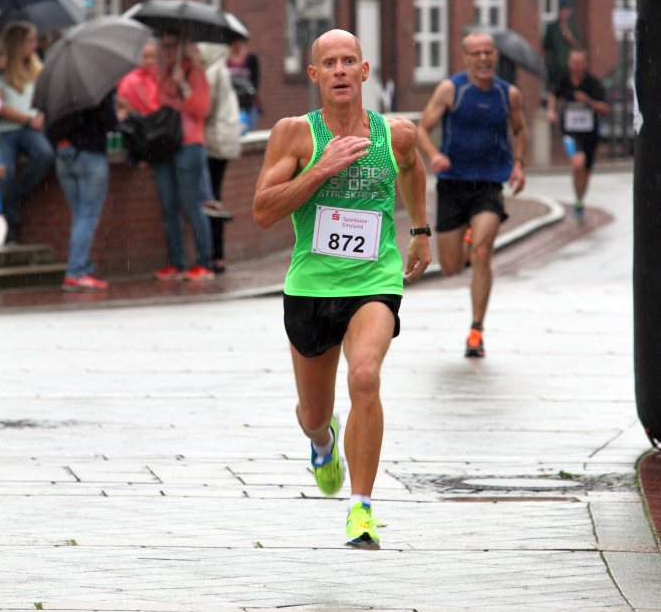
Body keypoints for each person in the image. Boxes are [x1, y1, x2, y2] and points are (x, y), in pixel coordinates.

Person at [252, 29, 431, 549]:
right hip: (310, 285)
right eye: (328, 63)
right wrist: (321, 168)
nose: (339, 70)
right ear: (314, 75)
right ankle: (322, 441)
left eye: (348, 61)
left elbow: (412, 168)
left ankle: (362, 510)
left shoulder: (395, 134)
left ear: (364, 71)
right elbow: (262, 210)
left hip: (374, 279)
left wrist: (420, 230)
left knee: (366, 376)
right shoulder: (295, 135)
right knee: (312, 415)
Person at [416, 31, 527, 359]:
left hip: (489, 184)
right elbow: (422, 128)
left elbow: (520, 130)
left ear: (496, 56)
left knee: (481, 252)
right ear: (465, 58)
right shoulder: (451, 89)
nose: (483, 58)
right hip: (453, 184)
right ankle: (467, 233)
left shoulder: (508, 94)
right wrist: (434, 155)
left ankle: (476, 330)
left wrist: (519, 164)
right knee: (451, 267)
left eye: (488, 52)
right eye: (476, 53)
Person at [153, 27, 215, 282]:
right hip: (166, 145)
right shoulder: (165, 73)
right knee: (168, 207)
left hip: (189, 145)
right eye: (164, 45)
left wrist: (184, 87)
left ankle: (203, 262)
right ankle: (175, 262)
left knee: (191, 206)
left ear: (181, 47)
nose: (167, 51)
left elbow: (202, 110)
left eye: (172, 46)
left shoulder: (195, 73)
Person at [47, 95, 117, 291]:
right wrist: (121, 113)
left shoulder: (58, 93)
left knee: (79, 215)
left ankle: (79, 266)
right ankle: (76, 271)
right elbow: (110, 123)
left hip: (64, 155)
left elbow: (49, 127)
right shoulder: (96, 92)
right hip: (90, 154)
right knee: (87, 215)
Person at [0, 21, 54, 243]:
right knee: (6, 172)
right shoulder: (1, 68)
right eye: (30, 40)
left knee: (45, 155)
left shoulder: (37, 68)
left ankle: (15, 199)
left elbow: (43, 98)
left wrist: (39, 115)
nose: (34, 45)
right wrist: (27, 118)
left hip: (31, 129)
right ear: (18, 43)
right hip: (6, 130)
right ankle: (13, 223)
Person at [546, 48, 610, 223]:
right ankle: (578, 201)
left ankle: (579, 200)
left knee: (586, 170)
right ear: (569, 63)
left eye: (581, 63)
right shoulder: (563, 80)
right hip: (570, 132)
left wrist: (588, 101)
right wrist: (551, 111)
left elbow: (606, 108)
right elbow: (553, 95)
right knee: (577, 162)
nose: (577, 66)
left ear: (585, 64)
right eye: (574, 63)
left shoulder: (593, 84)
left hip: (590, 134)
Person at [198, 42, 241, 273]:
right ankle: (218, 255)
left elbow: (204, 108)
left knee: (211, 199)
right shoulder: (220, 69)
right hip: (223, 141)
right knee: (214, 196)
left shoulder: (212, 72)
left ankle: (216, 255)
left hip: (214, 142)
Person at [115, 39, 160, 120]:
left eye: (152, 57)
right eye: (145, 56)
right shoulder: (129, 80)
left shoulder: (162, 79)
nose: (149, 61)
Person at [542, 2, 582, 91]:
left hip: (568, 67)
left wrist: (570, 38)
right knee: (555, 89)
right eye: (562, 12)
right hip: (555, 67)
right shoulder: (552, 28)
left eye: (566, 12)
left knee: (567, 89)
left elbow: (578, 47)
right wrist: (548, 64)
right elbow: (546, 47)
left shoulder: (572, 28)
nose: (564, 14)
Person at [227, 36, 261, 132]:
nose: (236, 45)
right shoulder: (225, 60)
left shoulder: (251, 59)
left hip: (248, 104)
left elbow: (255, 82)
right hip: (231, 104)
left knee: (248, 132)